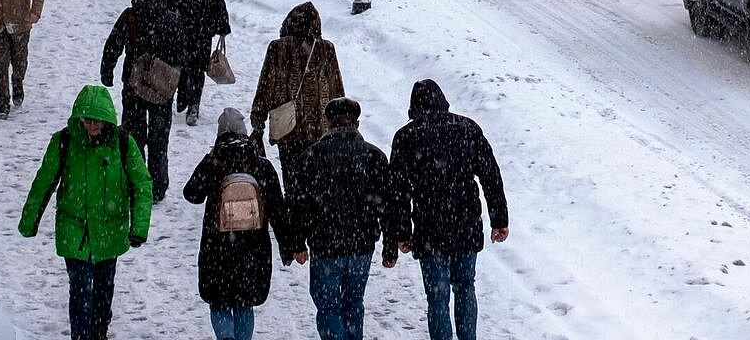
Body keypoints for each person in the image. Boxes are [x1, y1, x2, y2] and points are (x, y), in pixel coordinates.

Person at [19, 84, 153, 340]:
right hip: (74, 230)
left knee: (103, 288)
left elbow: (142, 184)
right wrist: (30, 220)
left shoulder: (123, 143)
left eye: (98, 121)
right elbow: (44, 182)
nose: (92, 127)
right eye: (87, 120)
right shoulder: (65, 142)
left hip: (109, 231)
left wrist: (139, 227)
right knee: (80, 290)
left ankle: (100, 328)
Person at [388, 80, 510, 340]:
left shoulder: (406, 137)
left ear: (414, 107)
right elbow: (491, 176)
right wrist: (499, 219)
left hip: (429, 226)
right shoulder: (467, 128)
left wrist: (402, 232)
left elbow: (398, 191)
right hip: (465, 222)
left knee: (437, 297)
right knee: (466, 287)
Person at [182, 108, 297, 340]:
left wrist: (209, 160)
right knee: (244, 304)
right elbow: (278, 210)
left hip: (218, 247)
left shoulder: (215, 164)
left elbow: (191, 194)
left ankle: (225, 337)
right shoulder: (262, 166)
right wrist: (287, 246)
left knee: (220, 301)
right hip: (253, 249)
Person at [295, 97, 399, 340]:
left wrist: (297, 242)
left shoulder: (311, 156)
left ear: (328, 122)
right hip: (361, 244)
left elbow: (300, 205)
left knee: (328, 305)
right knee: (354, 303)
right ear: (357, 123)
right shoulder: (374, 157)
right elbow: (387, 206)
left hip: (325, 243)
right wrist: (390, 246)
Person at [101, 0, 185, 196]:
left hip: (134, 82)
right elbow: (181, 55)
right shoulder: (172, 18)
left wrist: (107, 70)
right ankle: (157, 186)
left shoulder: (130, 15)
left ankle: (134, 181)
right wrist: (181, 86)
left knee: (133, 135)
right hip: (162, 86)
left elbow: (113, 44)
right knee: (159, 139)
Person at [250, 2, 345, 191]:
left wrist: (258, 120)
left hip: (288, 128)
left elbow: (265, 87)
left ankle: (295, 212)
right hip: (320, 128)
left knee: (292, 180)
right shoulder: (326, 49)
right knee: (317, 182)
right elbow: (337, 89)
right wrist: (342, 123)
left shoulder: (278, 48)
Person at [163, 0, 231, 127]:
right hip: (202, 28)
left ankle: (182, 95)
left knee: (178, 62)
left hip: (177, 27)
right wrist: (222, 23)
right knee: (198, 67)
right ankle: (193, 104)